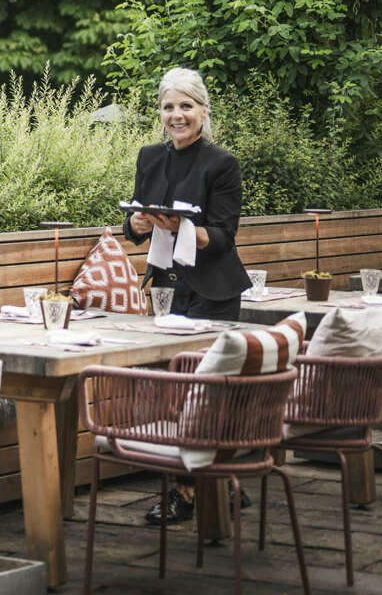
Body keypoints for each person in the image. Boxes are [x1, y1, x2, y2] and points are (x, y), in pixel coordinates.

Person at [122, 66, 250, 524]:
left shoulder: (222, 163)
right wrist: (135, 224)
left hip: (212, 292)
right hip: (165, 291)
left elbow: (223, 237)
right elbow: (135, 220)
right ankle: (214, 484)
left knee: (205, 394)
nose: (177, 115)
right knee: (171, 392)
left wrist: (183, 227)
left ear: (203, 110)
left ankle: (188, 492)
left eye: (186, 106)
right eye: (169, 106)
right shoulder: (149, 157)